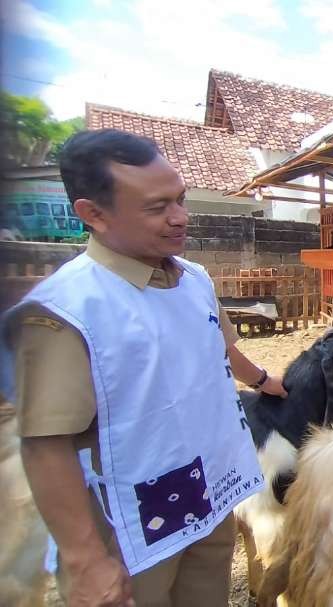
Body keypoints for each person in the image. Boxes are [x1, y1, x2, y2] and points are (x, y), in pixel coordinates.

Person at [2, 129, 286, 607]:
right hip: (134, 521)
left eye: (179, 199)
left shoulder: (193, 279)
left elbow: (217, 347)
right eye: (157, 208)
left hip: (210, 490)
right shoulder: (66, 312)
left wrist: (262, 380)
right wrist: (85, 560)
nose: (179, 218)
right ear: (93, 214)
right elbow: (45, 443)